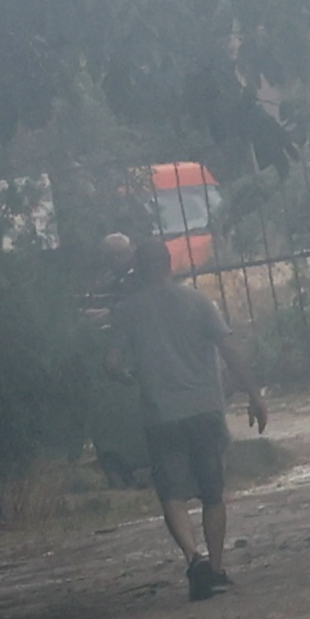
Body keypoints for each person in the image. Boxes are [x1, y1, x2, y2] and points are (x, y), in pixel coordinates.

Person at [101, 237, 267, 595]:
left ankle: (194, 560)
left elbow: (111, 364)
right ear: (169, 265)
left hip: (161, 415)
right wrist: (254, 395)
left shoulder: (128, 311)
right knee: (212, 492)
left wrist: (130, 376)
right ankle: (217, 568)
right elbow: (230, 349)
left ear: (138, 270)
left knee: (172, 494)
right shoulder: (198, 301)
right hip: (205, 408)